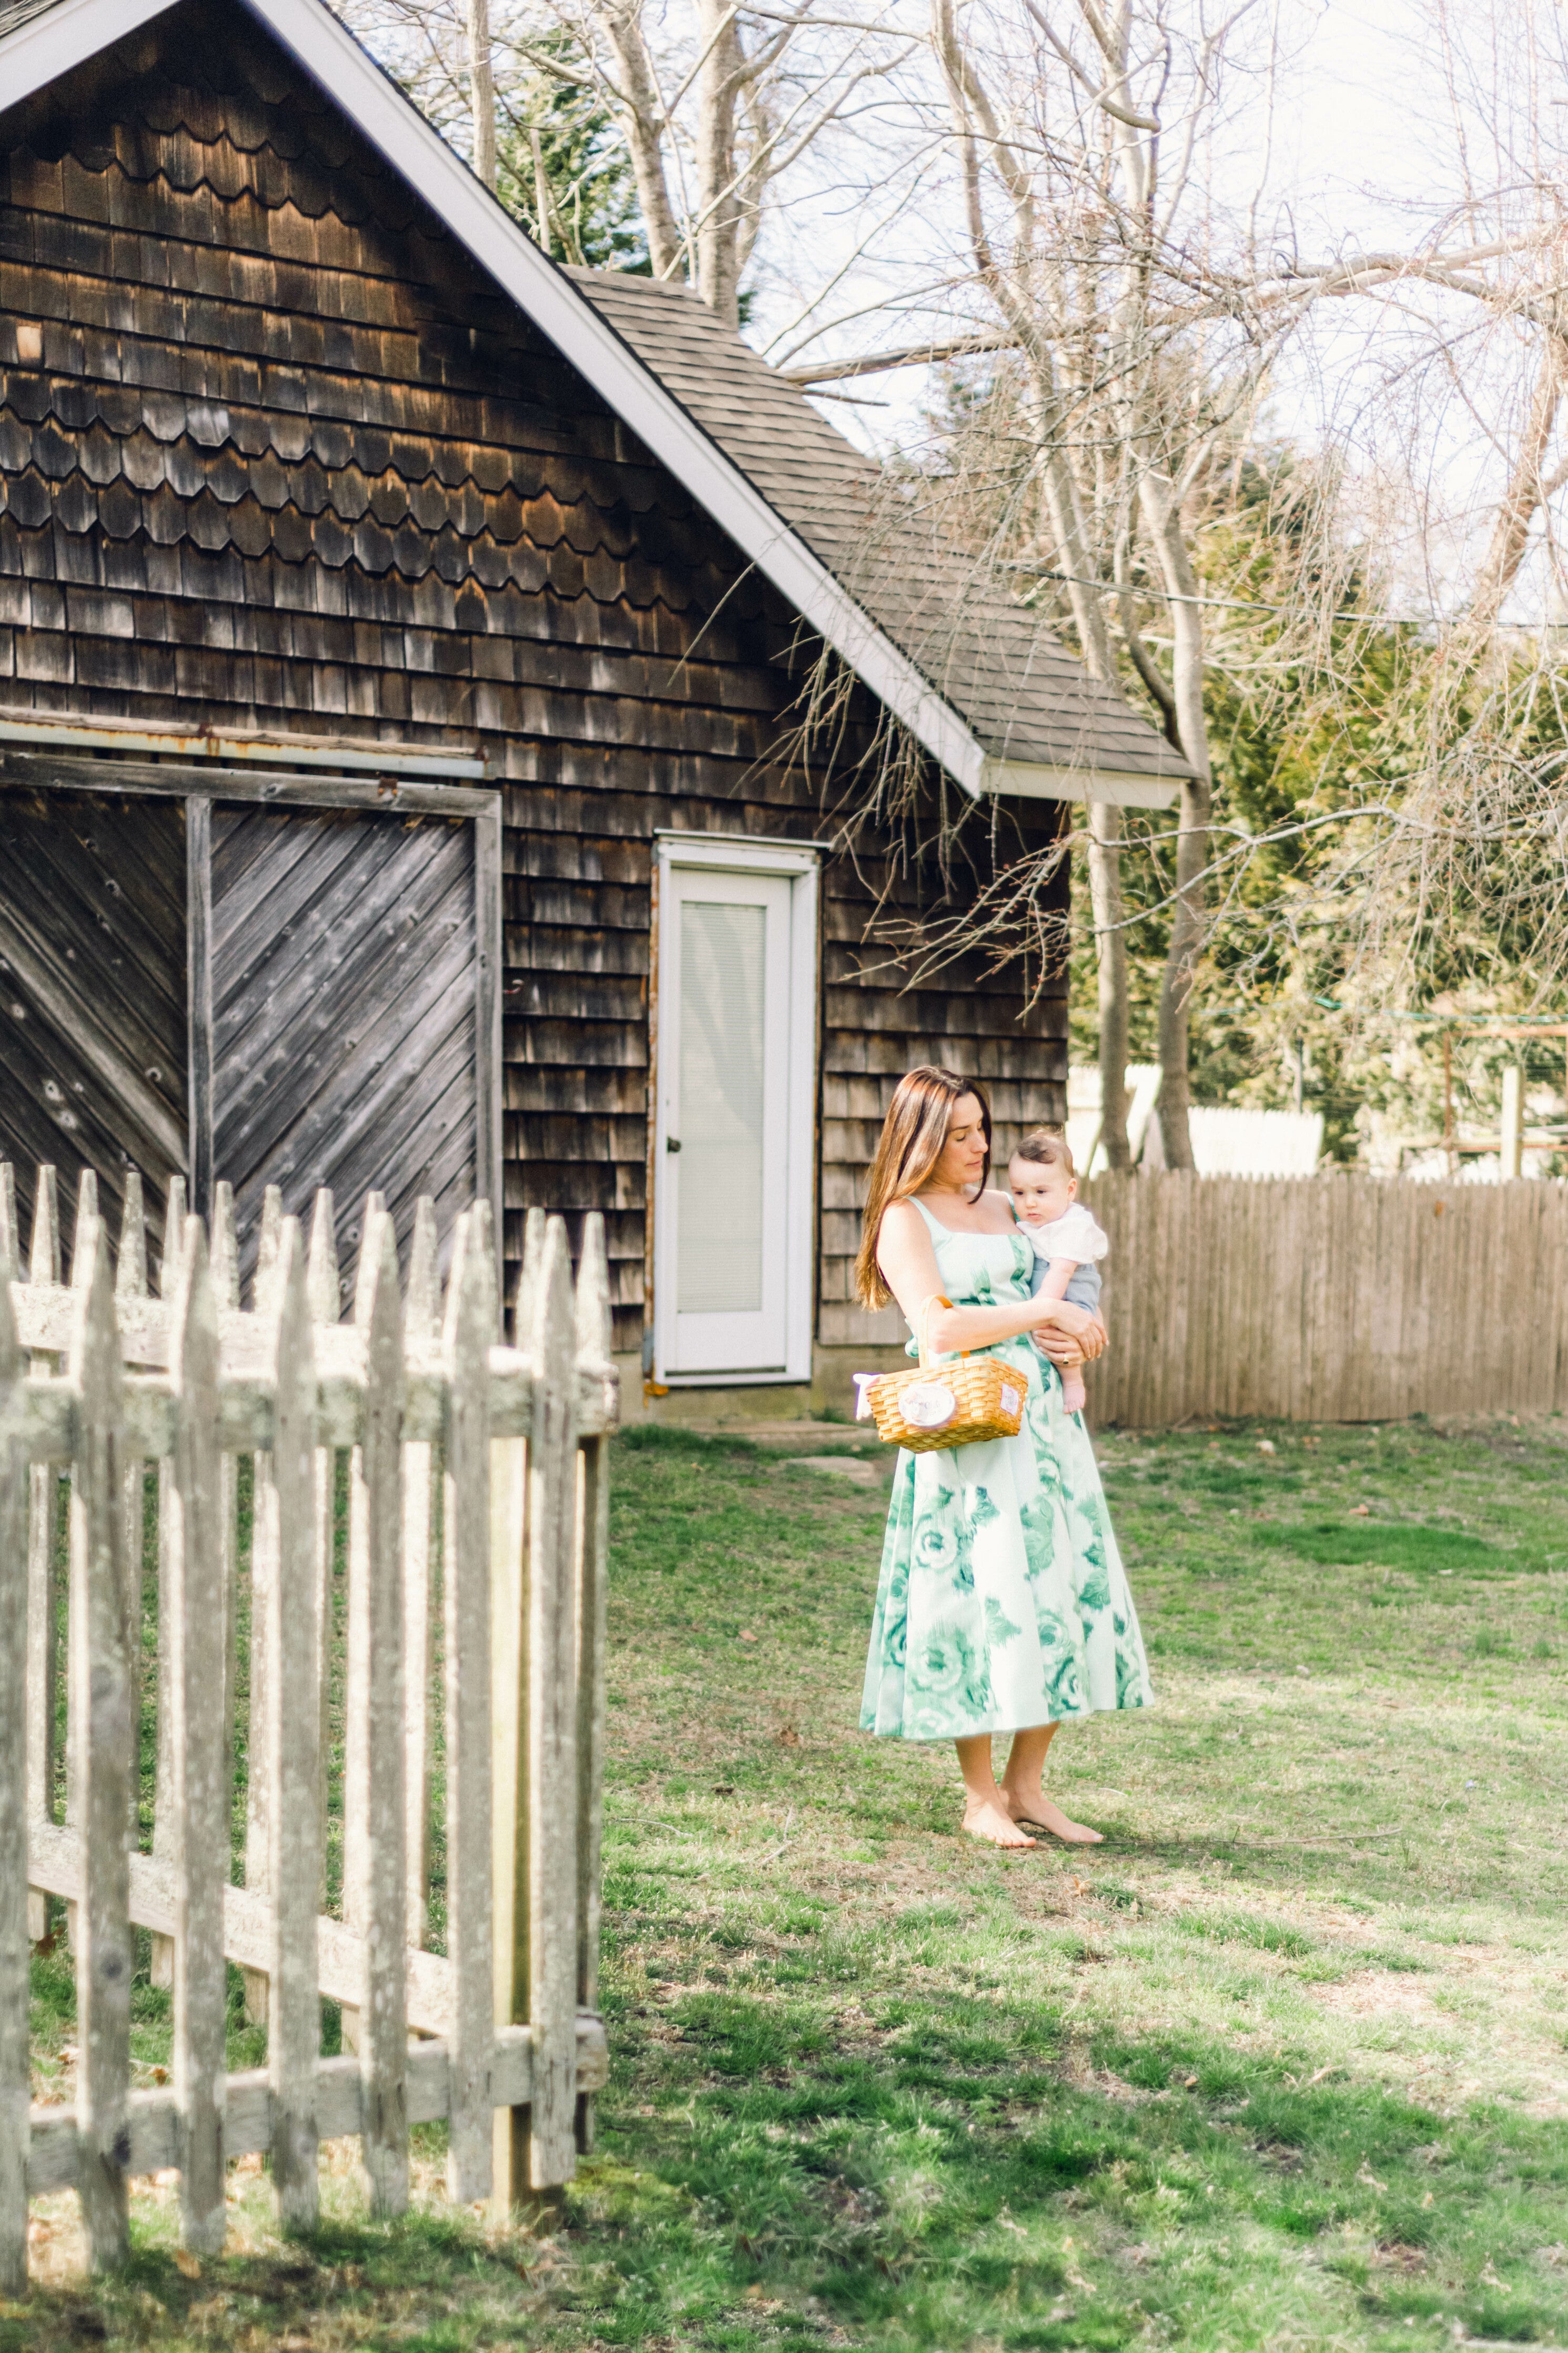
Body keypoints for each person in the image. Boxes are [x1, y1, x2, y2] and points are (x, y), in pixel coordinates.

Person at [857, 1066, 1152, 1850]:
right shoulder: (905, 1218)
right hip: (968, 1435)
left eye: (981, 1128)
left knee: (1051, 1591)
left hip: (1046, 1428)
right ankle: (979, 1795)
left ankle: (1029, 1787)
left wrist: (1083, 1325)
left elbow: (1073, 1274)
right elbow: (939, 1330)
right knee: (980, 1599)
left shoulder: (1011, 1204)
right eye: (959, 1134)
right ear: (919, 1139)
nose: (979, 1146)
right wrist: (1043, 1311)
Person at [1008, 1128, 1109, 1418]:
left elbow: (1061, 1273)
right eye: (1020, 1192)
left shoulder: (1072, 1226)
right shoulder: (1036, 1217)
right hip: (1050, 1279)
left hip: (1071, 1286)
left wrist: (1037, 1311)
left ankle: (1074, 1381)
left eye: (1041, 1192)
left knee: (1059, 1334)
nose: (1029, 1202)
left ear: (1070, 1190)